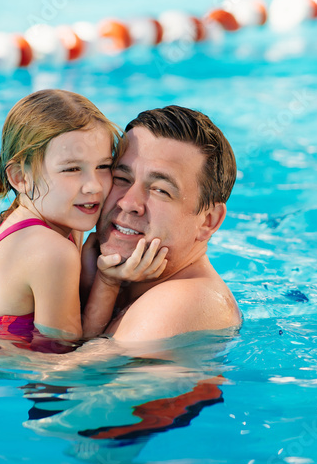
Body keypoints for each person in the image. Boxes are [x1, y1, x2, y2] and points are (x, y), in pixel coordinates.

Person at [0, 89, 168, 343]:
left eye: (103, 166)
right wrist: (108, 281)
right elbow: (63, 356)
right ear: (20, 178)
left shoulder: (50, 221)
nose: (94, 186)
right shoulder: (51, 251)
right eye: (72, 169)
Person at [81, 105, 243, 342]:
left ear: (208, 221)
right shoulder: (106, 275)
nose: (128, 203)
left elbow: (65, 378)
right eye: (121, 178)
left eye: (160, 190)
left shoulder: (186, 300)